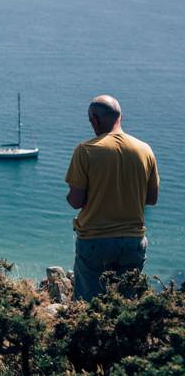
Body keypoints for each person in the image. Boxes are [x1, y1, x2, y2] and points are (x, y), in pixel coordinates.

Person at [65, 95, 159, 301]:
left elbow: (76, 201)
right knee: (125, 303)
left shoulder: (85, 150)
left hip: (94, 240)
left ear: (95, 120)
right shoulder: (144, 150)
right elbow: (152, 198)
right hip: (132, 240)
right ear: (120, 117)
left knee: (88, 304)